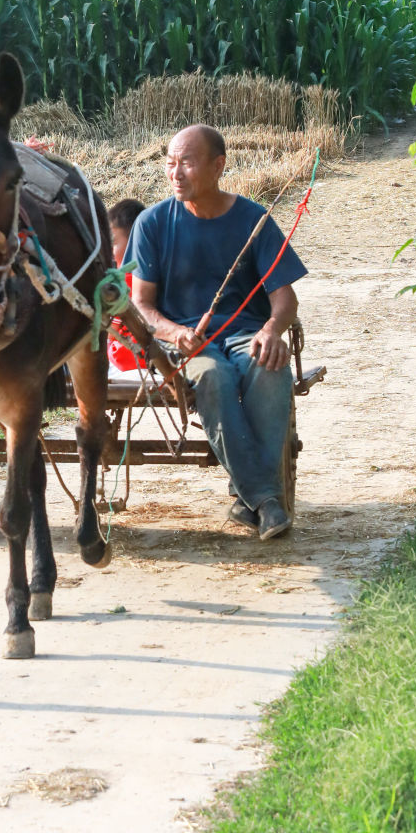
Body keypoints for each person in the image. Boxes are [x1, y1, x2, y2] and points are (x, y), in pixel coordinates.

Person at [127, 125, 306, 541]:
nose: (175, 173)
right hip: (189, 345)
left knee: (270, 365)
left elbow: (285, 298)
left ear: (218, 165)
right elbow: (142, 306)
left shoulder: (254, 220)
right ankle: (264, 499)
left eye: (186, 163)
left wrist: (272, 330)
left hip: (244, 334)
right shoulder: (151, 223)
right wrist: (174, 333)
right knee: (213, 374)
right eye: (170, 164)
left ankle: (249, 498)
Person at [106, 197, 146, 372]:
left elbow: (111, 328)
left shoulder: (123, 280)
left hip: (126, 355)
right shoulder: (152, 273)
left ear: (133, 243)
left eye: (113, 243)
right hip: (151, 351)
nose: (109, 250)